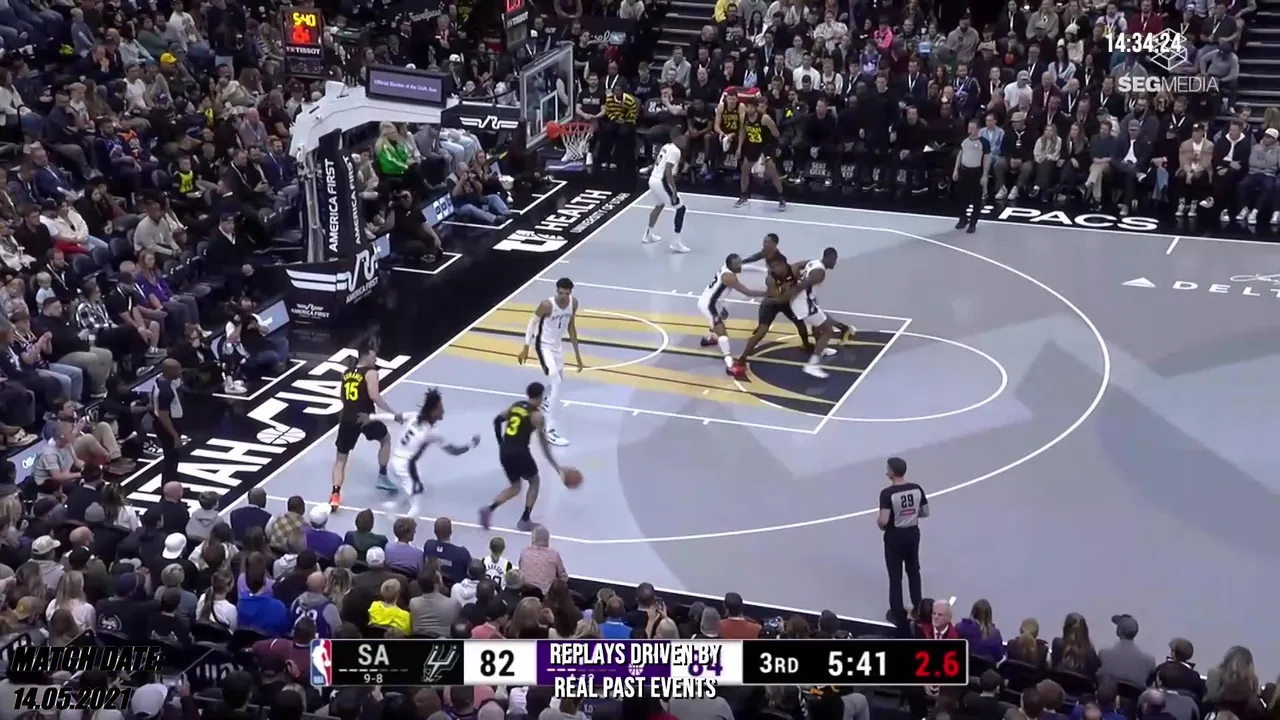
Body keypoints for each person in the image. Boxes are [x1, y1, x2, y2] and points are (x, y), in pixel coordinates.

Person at [364, 389, 481, 515]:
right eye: (440, 408)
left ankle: (394, 506)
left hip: (396, 461)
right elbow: (454, 451)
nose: (443, 411)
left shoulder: (413, 416)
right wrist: (470, 444)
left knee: (415, 489)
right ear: (433, 411)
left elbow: (393, 417)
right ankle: (402, 521)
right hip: (406, 466)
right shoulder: (431, 433)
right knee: (416, 503)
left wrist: (372, 417)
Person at [480, 382, 561, 532]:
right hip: (520, 452)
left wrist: (501, 443)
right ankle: (525, 519)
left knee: (515, 487)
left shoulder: (516, 406)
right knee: (535, 481)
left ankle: (489, 509)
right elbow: (543, 446)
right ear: (540, 396)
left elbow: (497, 420)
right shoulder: (537, 416)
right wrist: (556, 465)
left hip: (505, 451)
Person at [331, 343, 399, 510]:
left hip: (347, 418)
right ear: (365, 355)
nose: (375, 359)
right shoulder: (371, 373)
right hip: (365, 418)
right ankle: (382, 476)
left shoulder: (346, 373)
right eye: (374, 356)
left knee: (341, 459)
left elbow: (342, 397)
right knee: (386, 439)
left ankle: (335, 495)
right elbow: (374, 396)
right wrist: (393, 413)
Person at [516, 278, 582, 447]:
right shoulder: (547, 305)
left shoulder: (573, 303)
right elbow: (532, 324)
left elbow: (571, 327)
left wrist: (578, 356)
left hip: (557, 346)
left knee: (559, 380)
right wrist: (526, 347)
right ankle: (549, 430)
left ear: (570, 292)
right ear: (556, 290)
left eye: (566, 293)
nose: (562, 296)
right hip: (543, 346)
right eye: (560, 292)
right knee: (557, 382)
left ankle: (544, 399)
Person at [877, 456, 928, 624]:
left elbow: (884, 520)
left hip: (895, 536)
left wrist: (880, 523)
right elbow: (925, 512)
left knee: (895, 575)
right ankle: (918, 608)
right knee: (913, 571)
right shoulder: (916, 488)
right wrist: (911, 516)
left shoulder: (887, 494)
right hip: (912, 534)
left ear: (892, 471)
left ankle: (897, 613)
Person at [696, 254, 765, 375]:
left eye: (739, 263)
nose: (740, 266)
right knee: (723, 334)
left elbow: (746, 267)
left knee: (724, 314)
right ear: (731, 266)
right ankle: (730, 365)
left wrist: (764, 270)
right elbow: (747, 292)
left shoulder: (727, 267)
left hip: (713, 301)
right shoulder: (729, 277)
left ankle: (709, 338)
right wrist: (767, 293)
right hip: (709, 305)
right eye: (737, 265)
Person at [788, 249, 842, 379]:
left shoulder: (813, 262)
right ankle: (812, 365)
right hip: (803, 304)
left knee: (817, 325)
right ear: (829, 258)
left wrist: (794, 279)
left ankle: (821, 349)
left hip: (804, 301)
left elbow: (795, 266)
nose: (835, 262)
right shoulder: (820, 272)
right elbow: (801, 286)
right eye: (835, 259)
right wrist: (787, 295)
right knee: (828, 331)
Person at [641, 127, 690, 253]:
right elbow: (668, 172)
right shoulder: (675, 151)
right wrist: (674, 191)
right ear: (677, 138)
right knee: (681, 209)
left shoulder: (666, 146)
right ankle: (676, 242)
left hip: (653, 179)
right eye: (684, 137)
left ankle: (648, 235)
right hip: (661, 182)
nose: (685, 140)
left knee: (659, 205)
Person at [734, 97, 786, 210]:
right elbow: (742, 132)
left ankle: (781, 197)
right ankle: (743, 196)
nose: (749, 109)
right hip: (753, 145)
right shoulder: (743, 117)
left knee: (772, 171)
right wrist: (739, 148)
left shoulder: (765, 118)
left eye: (752, 107)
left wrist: (777, 147)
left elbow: (776, 134)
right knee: (745, 169)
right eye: (747, 107)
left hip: (766, 146)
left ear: (756, 107)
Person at [953, 118, 992, 234]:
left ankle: (973, 223)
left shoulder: (984, 142)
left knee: (976, 199)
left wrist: (984, 175)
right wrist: (956, 169)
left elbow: (987, 159)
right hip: (964, 171)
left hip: (976, 172)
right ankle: (963, 219)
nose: (970, 130)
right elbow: (960, 154)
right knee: (962, 197)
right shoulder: (964, 141)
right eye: (969, 128)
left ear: (978, 129)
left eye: (972, 128)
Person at [151, 359, 184, 483]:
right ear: (169, 371)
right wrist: (174, 435)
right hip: (168, 425)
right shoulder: (165, 391)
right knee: (171, 457)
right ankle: (168, 485)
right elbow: (163, 415)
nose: (179, 372)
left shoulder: (161, 380)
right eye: (177, 370)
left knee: (172, 457)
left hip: (166, 422)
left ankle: (172, 483)